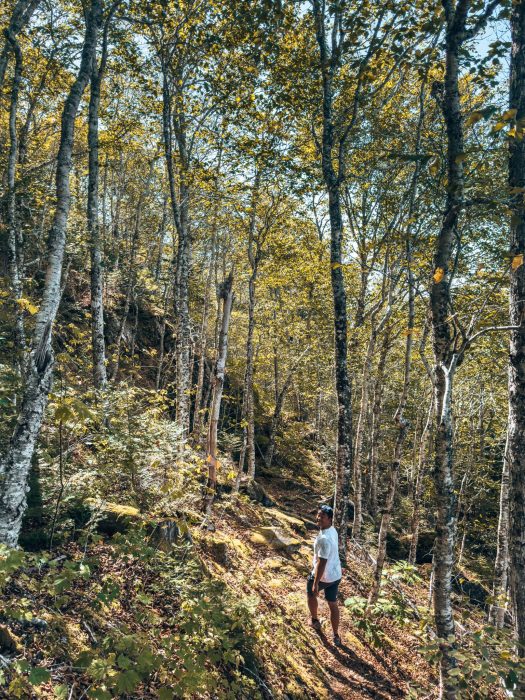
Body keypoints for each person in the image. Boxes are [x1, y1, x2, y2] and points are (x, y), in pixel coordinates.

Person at [307, 504, 342, 646]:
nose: (318, 518)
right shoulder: (332, 531)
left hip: (325, 576)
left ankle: (315, 621)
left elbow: (322, 562)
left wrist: (316, 582)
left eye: (322, 516)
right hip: (336, 575)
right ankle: (336, 635)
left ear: (330, 519)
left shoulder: (324, 539)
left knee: (310, 594)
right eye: (318, 515)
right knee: (332, 603)